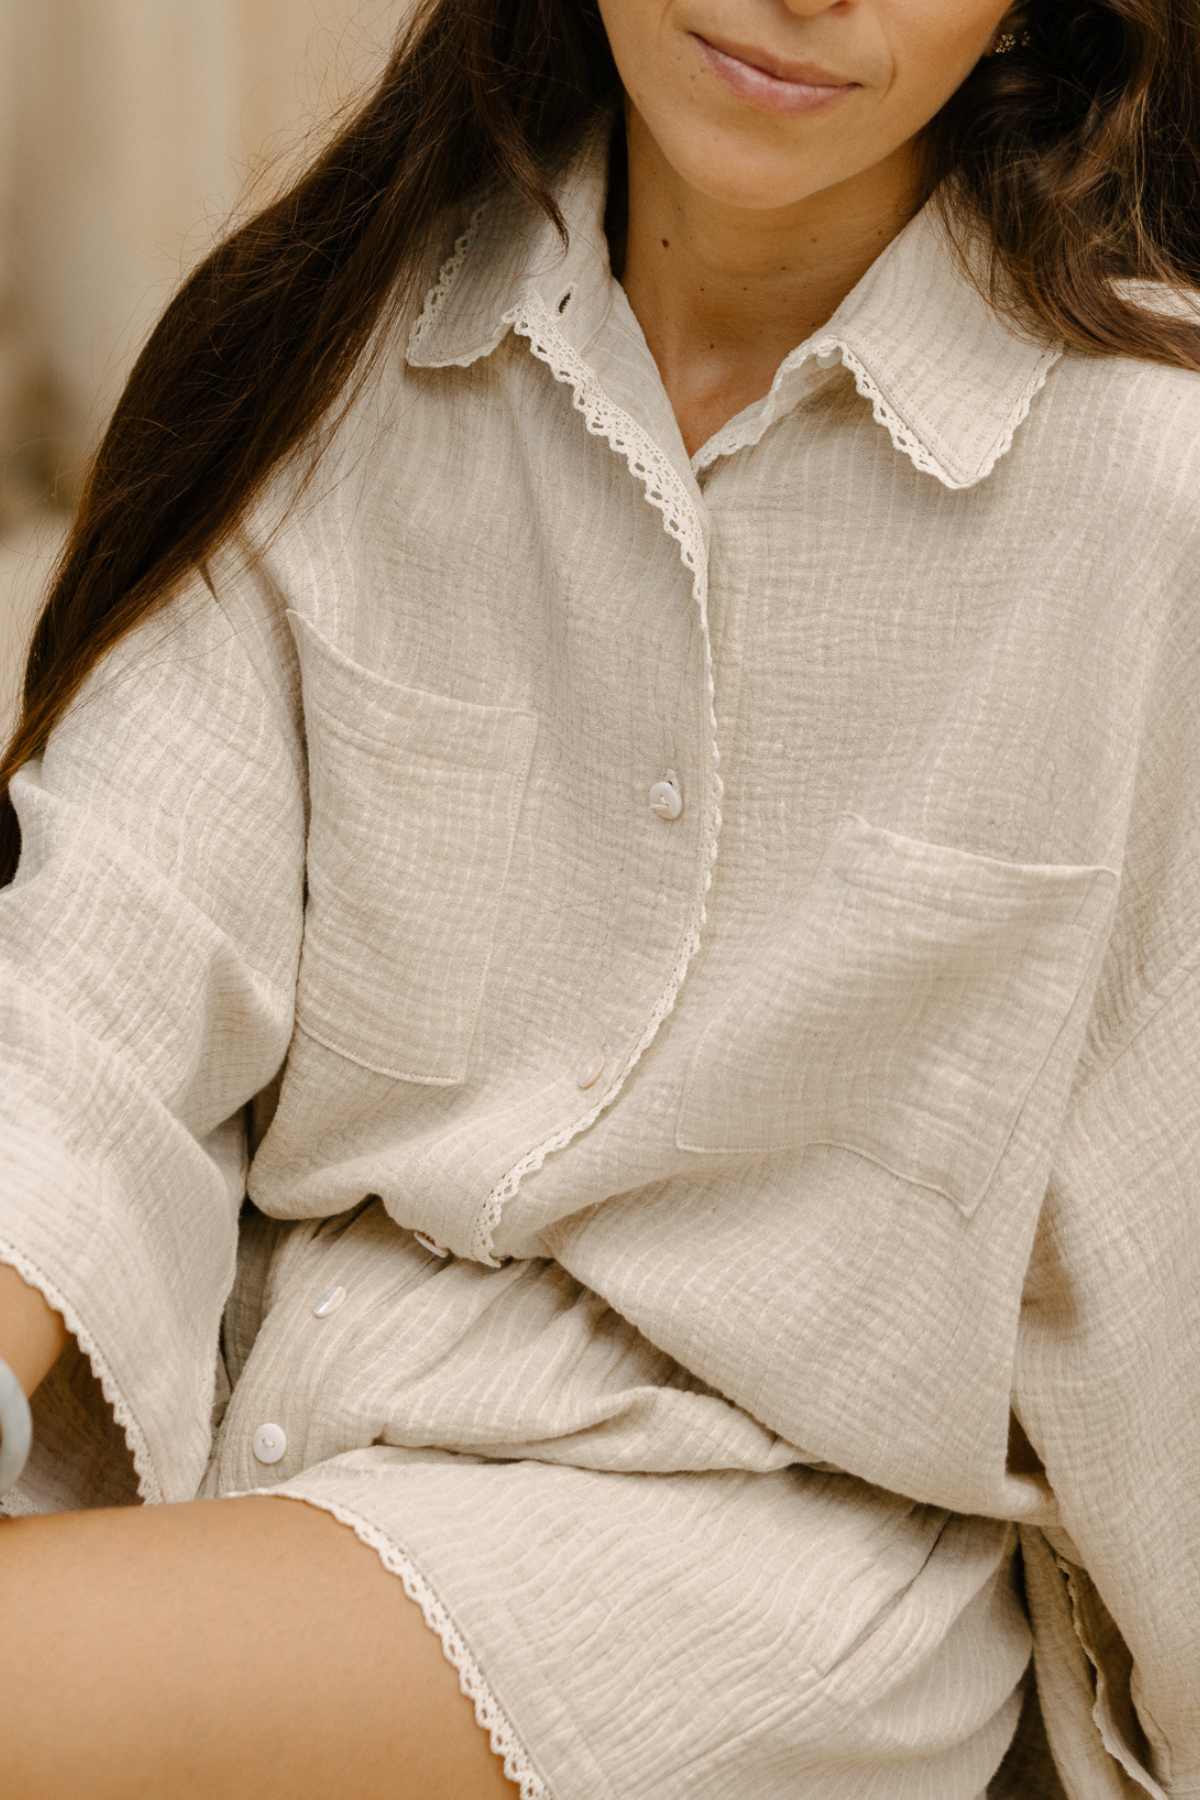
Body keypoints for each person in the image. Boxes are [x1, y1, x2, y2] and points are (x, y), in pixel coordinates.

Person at [0, 0, 1197, 1794]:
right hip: (274, 1427)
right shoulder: (343, 337)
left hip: (727, 1556)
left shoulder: (1147, 496)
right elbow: (96, 984)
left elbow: (1166, 1268)